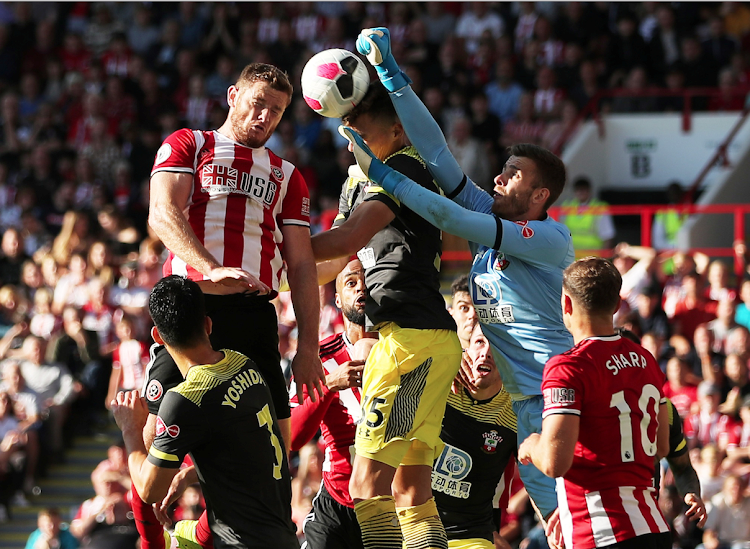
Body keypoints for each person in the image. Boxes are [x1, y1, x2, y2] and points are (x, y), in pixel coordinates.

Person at [349, 27, 574, 528]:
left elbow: (451, 219)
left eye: (512, 174)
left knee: (590, 526)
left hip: (561, 398)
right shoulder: (491, 226)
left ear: (539, 197)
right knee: (561, 531)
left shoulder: (549, 240)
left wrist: (380, 174)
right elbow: (437, 154)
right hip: (523, 407)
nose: (498, 177)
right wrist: (391, 72)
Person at [311, 82, 462, 549]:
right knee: (410, 492)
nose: (351, 142)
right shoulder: (357, 181)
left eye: (361, 133)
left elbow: (343, 240)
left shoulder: (402, 167)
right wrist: (275, 274)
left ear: (397, 129)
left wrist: (274, 246)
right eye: (347, 134)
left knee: (365, 488)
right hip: (423, 338)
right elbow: (335, 262)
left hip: (407, 342)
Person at [147, 61, 326, 452]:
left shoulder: (288, 175)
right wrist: (212, 269)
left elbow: (301, 265)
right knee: (156, 435)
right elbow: (162, 213)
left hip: (253, 314)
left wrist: (308, 348)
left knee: (278, 442)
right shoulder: (189, 144)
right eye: (257, 103)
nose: (264, 116)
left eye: (276, 110)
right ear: (233, 96)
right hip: (191, 302)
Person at [111, 275, 298, 549]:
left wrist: (130, 428)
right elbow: (246, 451)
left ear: (157, 337)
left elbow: (150, 490)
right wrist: (189, 475)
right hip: (283, 536)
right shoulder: (244, 365)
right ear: (208, 324)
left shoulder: (184, 401)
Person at [518, 257, 671, 549]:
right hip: (654, 527)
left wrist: (532, 443)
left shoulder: (568, 367)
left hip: (601, 532)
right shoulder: (647, 360)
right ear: (616, 305)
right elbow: (660, 447)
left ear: (565, 304)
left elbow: (553, 462)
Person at [289, 259, 375, 549]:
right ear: (338, 299)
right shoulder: (315, 357)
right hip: (336, 504)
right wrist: (328, 385)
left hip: (388, 505)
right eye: (351, 283)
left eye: (367, 280)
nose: (361, 287)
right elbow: (292, 437)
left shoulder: (404, 349)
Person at [434, 322, 517, 549]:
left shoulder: (515, 412)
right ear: (466, 350)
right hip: (417, 524)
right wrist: (447, 357)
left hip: (471, 534)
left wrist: (551, 518)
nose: (486, 352)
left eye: (497, 345)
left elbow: (537, 480)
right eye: (480, 342)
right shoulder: (438, 382)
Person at [560, 177, 615, 257]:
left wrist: (602, 260)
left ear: (589, 191)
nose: (581, 192)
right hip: (571, 258)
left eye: (583, 190)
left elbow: (608, 237)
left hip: (592, 259)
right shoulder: (567, 207)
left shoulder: (599, 209)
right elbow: (559, 233)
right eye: (578, 190)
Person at [448, 274, 477, 350]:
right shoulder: (439, 357)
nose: (472, 314)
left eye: (478, 308)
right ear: (451, 313)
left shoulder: (505, 358)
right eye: (464, 308)